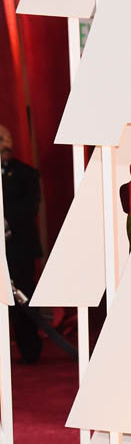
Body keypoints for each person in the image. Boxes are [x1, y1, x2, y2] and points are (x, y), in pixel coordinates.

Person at [0, 124, 42, 363]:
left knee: (24, 297)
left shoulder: (26, 173)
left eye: (6, 140)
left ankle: (30, 351)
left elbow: (30, 206)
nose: (5, 145)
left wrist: (4, 220)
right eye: (1, 141)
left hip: (20, 249)